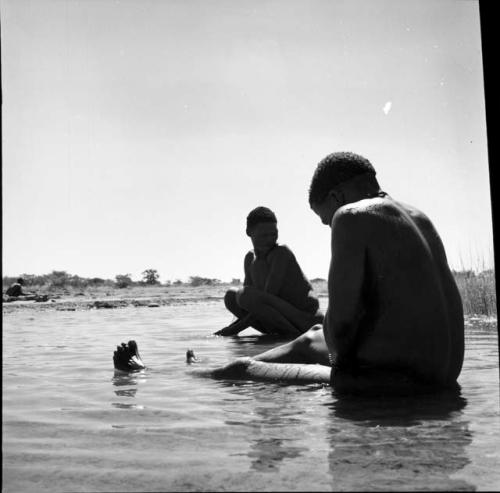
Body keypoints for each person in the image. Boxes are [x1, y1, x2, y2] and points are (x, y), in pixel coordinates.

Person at [114, 152, 465, 395]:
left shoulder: (351, 216)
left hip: (394, 385)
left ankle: (147, 374)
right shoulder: (419, 217)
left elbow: (341, 332)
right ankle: (210, 364)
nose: (330, 224)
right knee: (312, 335)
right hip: (444, 376)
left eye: (324, 218)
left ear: (337, 195)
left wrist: (336, 375)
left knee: (242, 373)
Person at [214, 206, 323, 337]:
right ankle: (282, 334)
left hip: (307, 321)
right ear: (249, 232)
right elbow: (253, 306)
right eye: (264, 235)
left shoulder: (281, 253)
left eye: (274, 234)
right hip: (279, 319)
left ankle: (291, 337)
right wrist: (230, 328)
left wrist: (235, 329)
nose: (270, 239)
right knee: (231, 296)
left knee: (245, 294)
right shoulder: (250, 258)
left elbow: (266, 299)